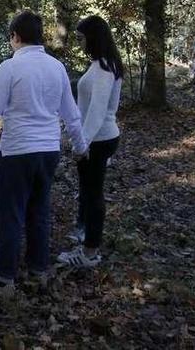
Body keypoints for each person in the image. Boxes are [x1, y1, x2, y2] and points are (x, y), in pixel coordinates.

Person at [0, 11, 88, 297]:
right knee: (40, 212)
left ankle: (3, 281)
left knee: (9, 215)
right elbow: (71, 115)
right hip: (48, 150)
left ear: (15, 37)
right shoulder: (56, 67)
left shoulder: (9, 68)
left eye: (10, 37)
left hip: (17, 152)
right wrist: (81, 147)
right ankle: (37, 272)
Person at [57, 15, 123, 268]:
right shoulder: (100, 65)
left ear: (94, 38)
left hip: (98, 140)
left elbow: (96, 112)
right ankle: (85, 239)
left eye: (82, 38)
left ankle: (90, 253)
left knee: (94, 196)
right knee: (87, 192)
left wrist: (80, 145)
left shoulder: (104, 70)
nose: (80, 43)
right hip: (96, 139)